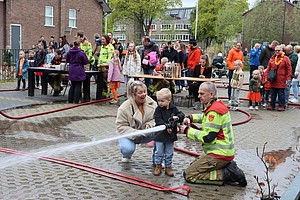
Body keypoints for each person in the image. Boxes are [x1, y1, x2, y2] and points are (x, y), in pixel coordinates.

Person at [178, 82, 246, 186]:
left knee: (189, 174)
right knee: (194, 165)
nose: (198, 96)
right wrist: (191, 117)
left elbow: (208, 137)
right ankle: (227, 168)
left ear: (211, 94)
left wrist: (187, 130)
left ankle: (226, 174)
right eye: (199, 93)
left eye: (202, 94)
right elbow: (205, 119)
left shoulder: (214, 111)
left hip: (219, 154)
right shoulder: (215, 106)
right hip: (222, 152)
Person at [116, 80, 157, 163]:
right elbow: (121, 126)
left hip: (147, 133)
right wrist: (136, 133)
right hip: (129, 135)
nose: (144, 95)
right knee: (127, 148)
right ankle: (126, 155)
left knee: (161, 133)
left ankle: (157, 158)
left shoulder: (153, 104)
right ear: (133, 95)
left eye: (145, 92)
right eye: (140, 92)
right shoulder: (124, 108)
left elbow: (156, 119)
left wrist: (149, 124)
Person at [153, 88, 185, 177]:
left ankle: (168, 167)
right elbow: (158, 119)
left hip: (170, 136)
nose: (160, 103)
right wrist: (166, 125)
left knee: (169, 152)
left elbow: (182, 115)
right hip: (160, 135)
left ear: (169, 100)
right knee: (158, 151)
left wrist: (177, 117)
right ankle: (158, 165)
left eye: (162, 101)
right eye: (158, 101)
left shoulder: (174, 109)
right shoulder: (158, 109)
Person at [265, 45, 292, 111]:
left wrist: (288, 78)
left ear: (282, 50)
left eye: (278, 50)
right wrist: (266, 76)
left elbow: (289, 69)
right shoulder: (272, 58)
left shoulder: (285, 58)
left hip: (282, 79)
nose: (277, 51)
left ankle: (281, 105)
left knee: (281, 94)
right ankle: (272, 105)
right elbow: (268, 68)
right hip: (273, 79)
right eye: (276, 50)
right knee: (273, 94)